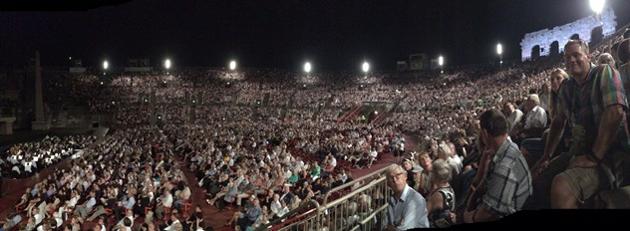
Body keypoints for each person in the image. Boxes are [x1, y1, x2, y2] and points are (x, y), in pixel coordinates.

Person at [538, 39, 629, 209]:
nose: (571, 60)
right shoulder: (567, 86)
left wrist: (594, 157)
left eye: (576, 55)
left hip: (612, 157)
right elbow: (558, 121)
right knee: (541, 176)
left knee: (562, 186)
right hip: (581, 153)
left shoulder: (604, 72)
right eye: (567, 58)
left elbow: (615, 112)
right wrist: (546, 156)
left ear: (588, 56)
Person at [462, 109, 531, 223]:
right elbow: (483, 185)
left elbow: (488, 213)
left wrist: (466, 217)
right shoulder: (508, 148)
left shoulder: (504, 165)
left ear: (484, 133)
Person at [384, 164, 429, 230]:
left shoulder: (416, 199)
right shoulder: (392, 200)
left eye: (398, 175)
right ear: (388, 184)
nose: (395, 180)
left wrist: (392, 227)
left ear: (405, 176)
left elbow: (403, 228)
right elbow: (385, 225)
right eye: (391, 178)